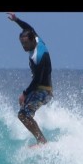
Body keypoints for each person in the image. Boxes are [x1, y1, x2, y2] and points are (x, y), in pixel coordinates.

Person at [7, 12, 52, 146]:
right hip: (40, 88)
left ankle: (41, 141)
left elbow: (37, 79)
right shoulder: (38, 40)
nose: (24, 46)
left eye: (26, 43)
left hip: (43, 90)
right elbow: (29, 28)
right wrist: (16, 20)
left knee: (23, 115)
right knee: (24, 112)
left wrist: (24, 93)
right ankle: (41, 139)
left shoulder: (39, 56)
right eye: (22, 43)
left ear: (33, 40)